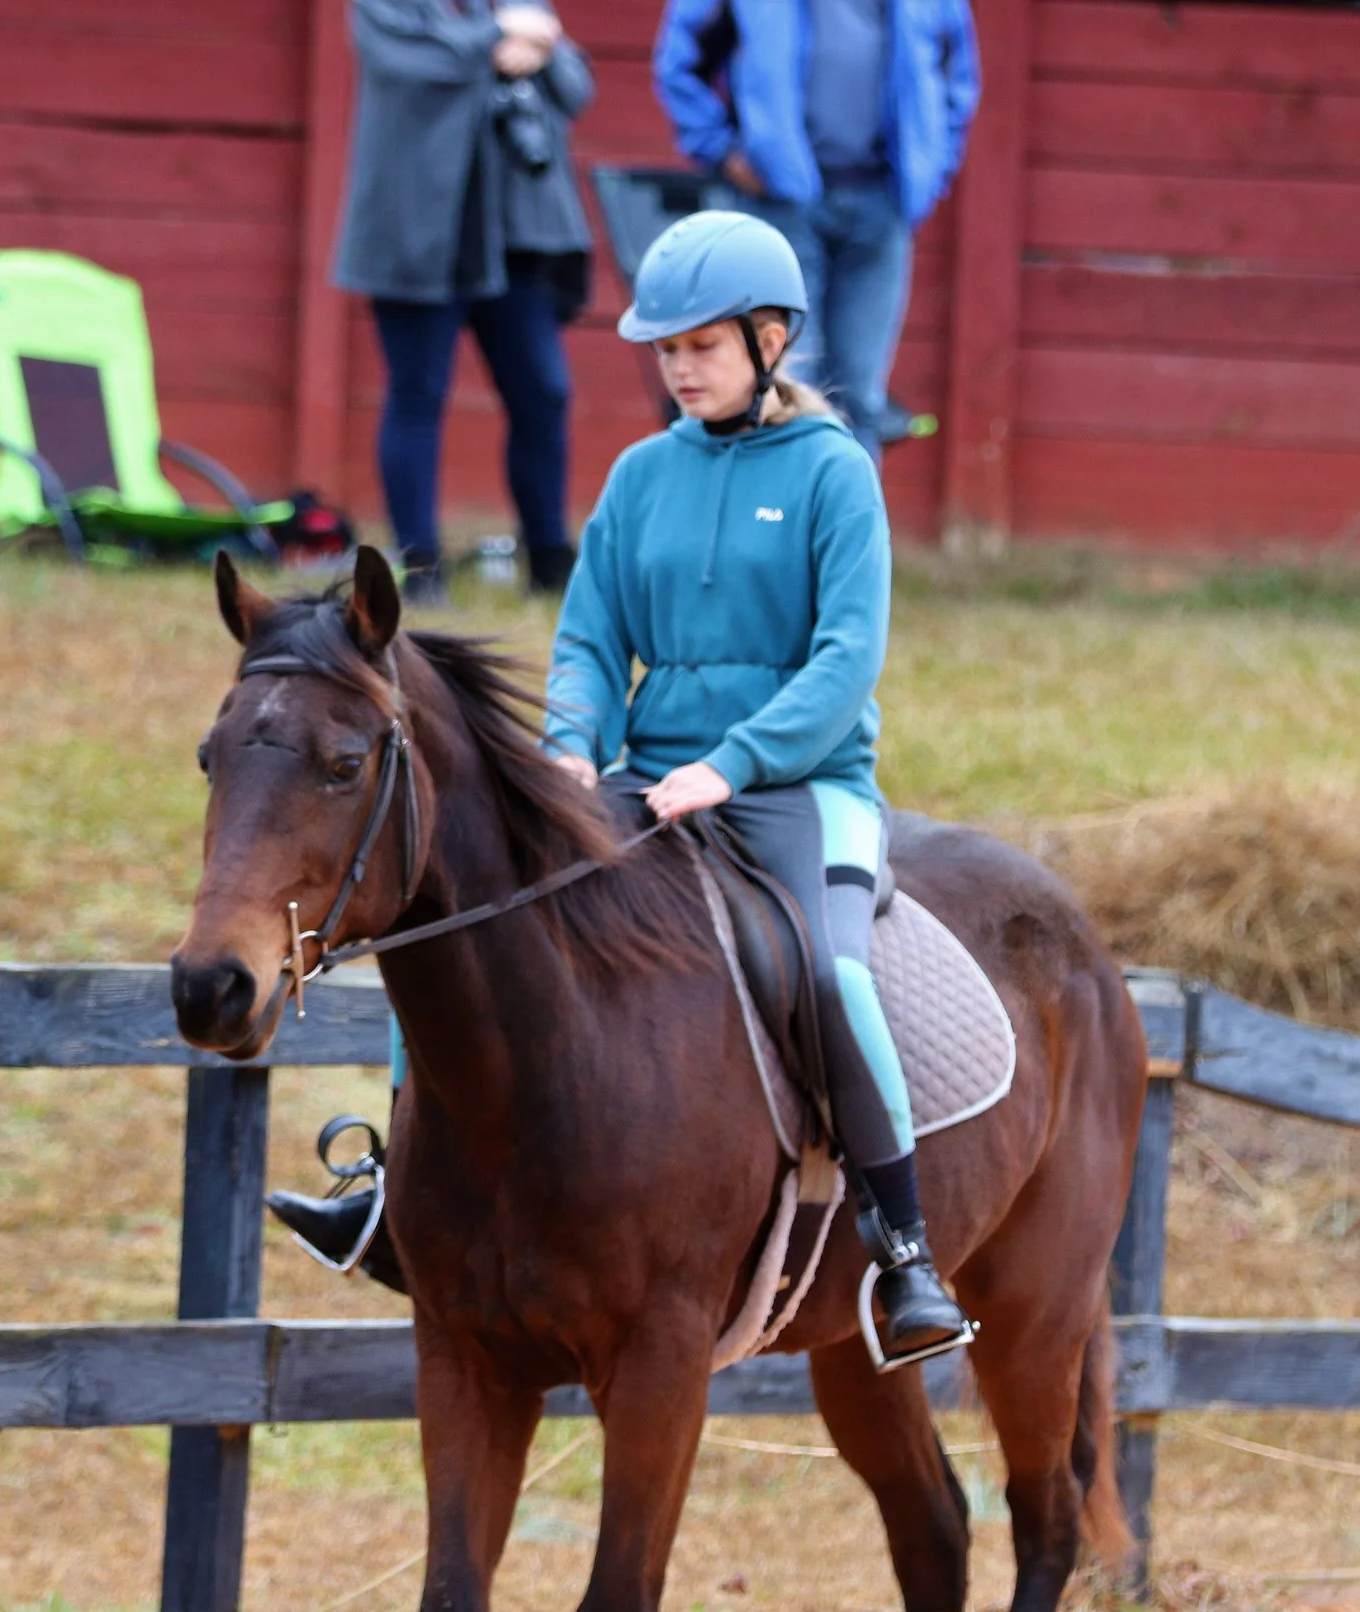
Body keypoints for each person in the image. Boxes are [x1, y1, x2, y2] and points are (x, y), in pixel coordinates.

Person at [272, 213, 971, 1371]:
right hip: (643, 778)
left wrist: (731, 762)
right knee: (451, 920)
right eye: (665, 350)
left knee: (828, 967)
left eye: (702, 346)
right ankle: (390, 1186)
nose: (681, 368)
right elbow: (590, 636)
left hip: (800, 783)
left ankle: (902, 1246)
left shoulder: (835, 473)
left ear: (770, 337)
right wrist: (572, 745)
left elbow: (845, 660)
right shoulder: (640, 476)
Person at [332, 0, 595, 601]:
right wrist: (500, 37)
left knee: (543, 391)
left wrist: (538, 43)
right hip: (419, 234)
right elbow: (417, 66)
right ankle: (420, 567)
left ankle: (550, 557)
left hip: (515, 237)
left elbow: (574, 88)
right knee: (417, 392)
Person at [652, 0, 978, 462]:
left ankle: (849, 531)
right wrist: (721, 151)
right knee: (786, 387)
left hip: (881, 206)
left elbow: (956, 77)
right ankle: (779, 528)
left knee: (862, 396)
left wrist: (929, 167)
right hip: (781, 205)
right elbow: (680, 64)